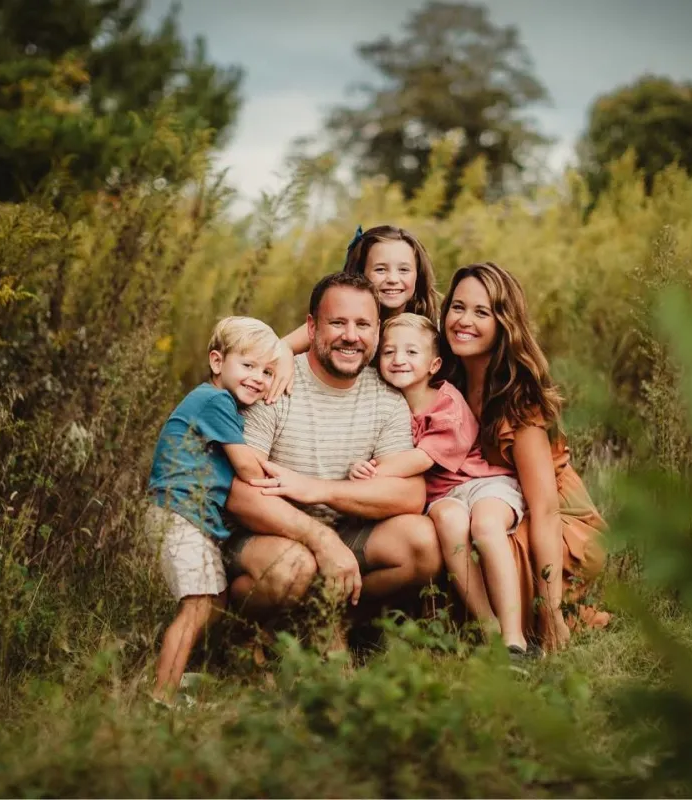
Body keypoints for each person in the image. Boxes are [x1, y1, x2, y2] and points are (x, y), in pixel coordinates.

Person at [223, 272, 442, 636]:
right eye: (337, 323)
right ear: (311, 328)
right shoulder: (274, 384)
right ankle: (237, 633)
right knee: (292, 566)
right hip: (267, 538)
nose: (351, 336)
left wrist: (318, 490)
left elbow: (410, 494)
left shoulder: (387, 399)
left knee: (422, 542)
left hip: (346, 537)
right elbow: (239, 493)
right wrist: (320, 540)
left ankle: (327, 622)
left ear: (377, 330)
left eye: (363, 325)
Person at [438, 262, 609, 652]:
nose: (464, 321)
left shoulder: (519, 399)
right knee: (450, 536)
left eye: (482, 312)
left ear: (504, 323)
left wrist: (549, 612)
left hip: (558, 522)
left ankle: (542, 618)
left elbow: (545, 508)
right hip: (498, 507)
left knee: (484, 551)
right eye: (457, 307)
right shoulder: (448, 377)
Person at [347, 313, 535, 657]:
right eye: (388, 352)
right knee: (449, 521)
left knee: (486, 524)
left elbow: (422, 459)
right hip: (441, 496)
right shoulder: (386, 405)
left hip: (483, 482)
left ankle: (514, 637)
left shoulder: (447, 402)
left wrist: (373, 470)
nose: (398, 359)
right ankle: (487, 626)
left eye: (410, 352)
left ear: (434, 365)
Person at [145, 316, 281, 704]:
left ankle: (180, 670)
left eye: (268, 371)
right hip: (179, 515)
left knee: (216, 602)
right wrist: (286, 481)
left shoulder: (220, 401)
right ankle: (162, 696)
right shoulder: (216, 401)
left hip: (188, 517)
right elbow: (247, 467)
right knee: (198, 605)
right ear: (218, 362)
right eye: (248, 366)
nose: (258, 378)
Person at [265, 224, 441, 403]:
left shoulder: (427, 326)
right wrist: (286, 362)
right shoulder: (340, 321)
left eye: (403, 270)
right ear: (360, 274)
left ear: (417, 275)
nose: (393, 279)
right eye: (380, 269)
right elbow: (283, 346)